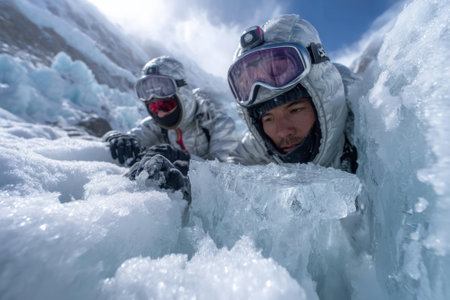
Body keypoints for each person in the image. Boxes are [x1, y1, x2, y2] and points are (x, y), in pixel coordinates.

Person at [226, 14, 359, 173]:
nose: (282, 131)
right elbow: (232, 168)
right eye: (268, 118)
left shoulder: (371, 129)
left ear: (323, 101)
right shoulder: (260, 145)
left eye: (295, 110)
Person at [103, 56, 238, 202]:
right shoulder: (156, 125)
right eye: (154, 107)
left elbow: (229, 177)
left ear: (182, 96)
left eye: (165, 105)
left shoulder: (217, 123)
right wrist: (116, 138)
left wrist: (183, 159)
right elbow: (128, 138)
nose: (159, 113)